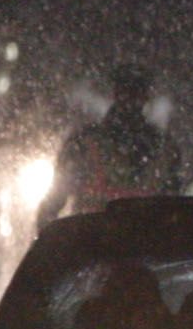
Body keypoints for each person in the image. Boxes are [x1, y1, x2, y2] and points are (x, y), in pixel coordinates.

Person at [51, 63, 182, 217]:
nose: (131, 99)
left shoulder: (83, 142)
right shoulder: (164, 148)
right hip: (119, 231)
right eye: (127, 91)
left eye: (136, 92)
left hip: (96, 230)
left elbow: (53, 204)